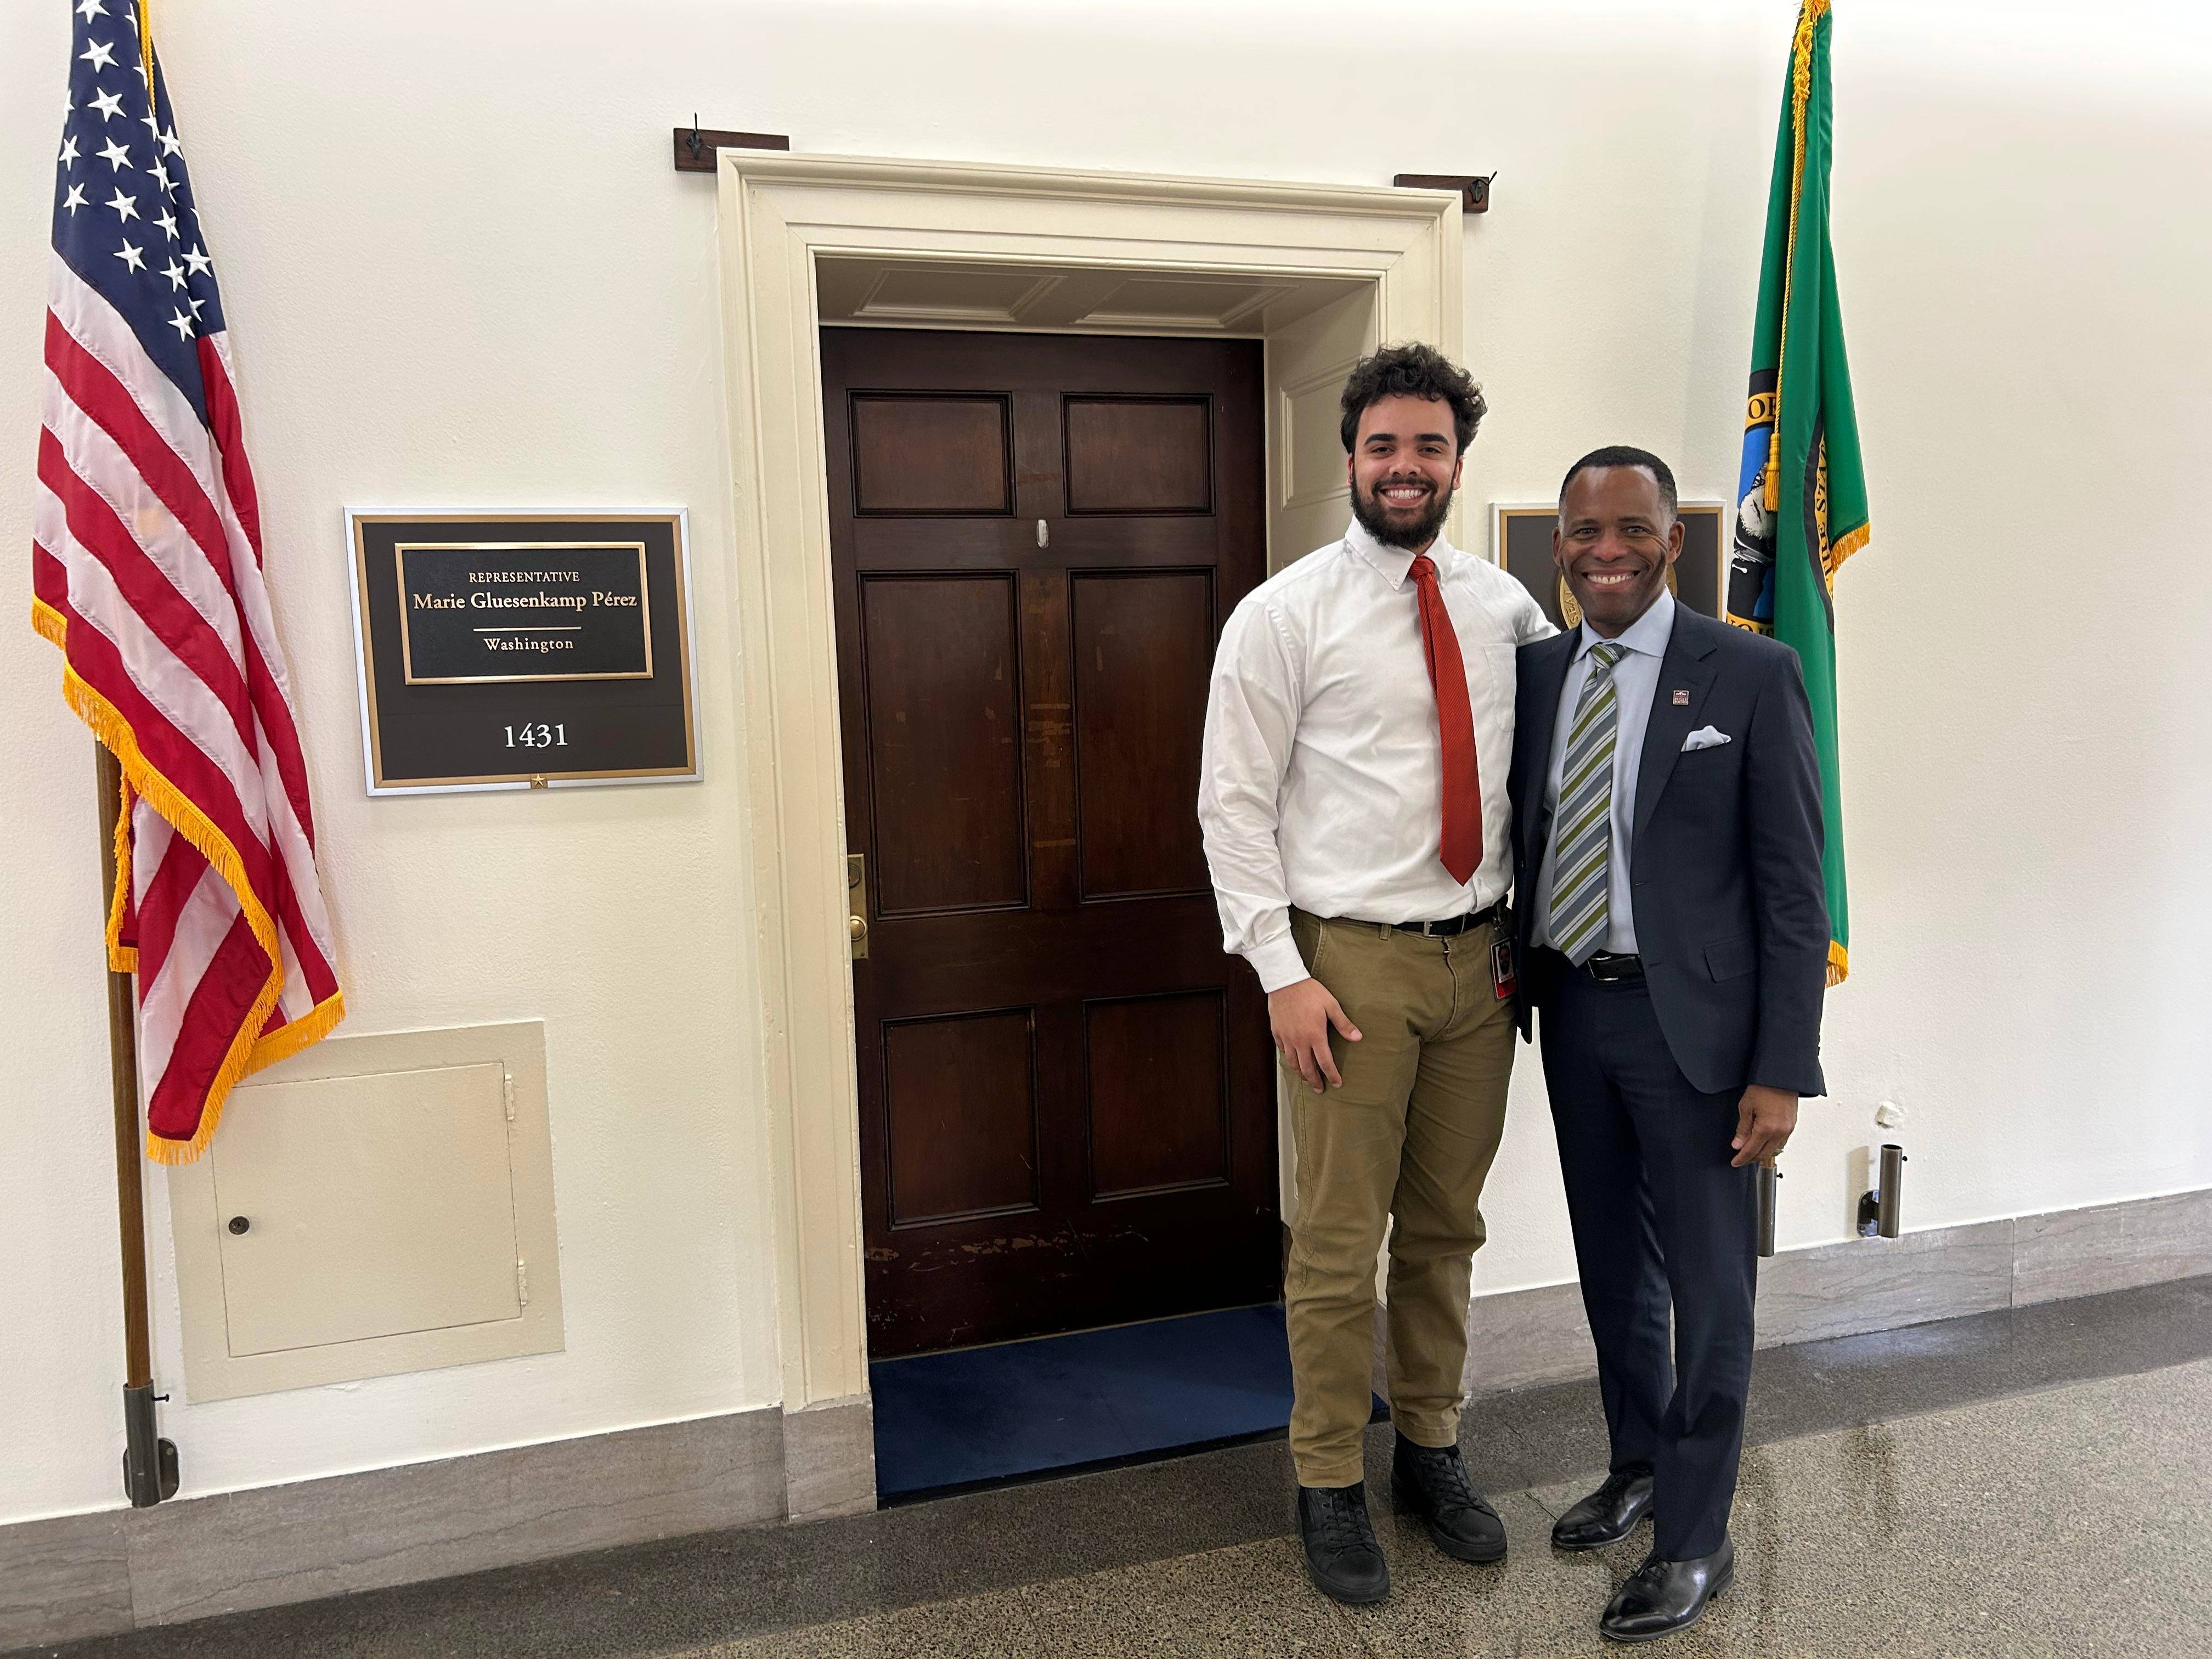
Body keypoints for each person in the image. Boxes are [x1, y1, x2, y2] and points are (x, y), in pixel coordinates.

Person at [1198, 343, 1554, 1605]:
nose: (1407, 468)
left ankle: (1431, 1452)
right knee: (1340, 1241)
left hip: (1481, 969)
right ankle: (1327, 1479)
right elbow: (1232, 810)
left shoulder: (1509, 609)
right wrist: (1281, 973)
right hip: (1345, 968)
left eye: (1431, 446)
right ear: (1349, 458)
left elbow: (1544, 785)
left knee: (1448, 1227)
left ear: (1460, 461)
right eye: (1384, 446)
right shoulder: (1282, 614)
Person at [1508, 446, 1827, 1641]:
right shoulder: (1540, 673)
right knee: (1613, 1270)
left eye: (1632, 528)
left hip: (1699, 1034)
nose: (1607, 549)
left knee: (1709, 1288)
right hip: (1573, 1012)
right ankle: (1635, 1462)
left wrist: (1783, 1066)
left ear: (1673, 537)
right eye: (1585, 531)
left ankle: (1697, 1535)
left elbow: (1797, 891)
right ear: (1560, 544)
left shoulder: (1748, 672)